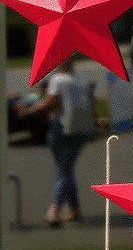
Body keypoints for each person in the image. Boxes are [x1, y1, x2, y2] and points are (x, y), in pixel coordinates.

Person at [17, 57, 97, 225]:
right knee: (65, 168)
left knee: (63, 169)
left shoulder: (58, 79)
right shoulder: (80, 80)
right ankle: (74, 208)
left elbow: (51, 102)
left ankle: (54, 210)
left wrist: (29, 112)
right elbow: (92, 101)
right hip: (80, 128)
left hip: (60, 127)